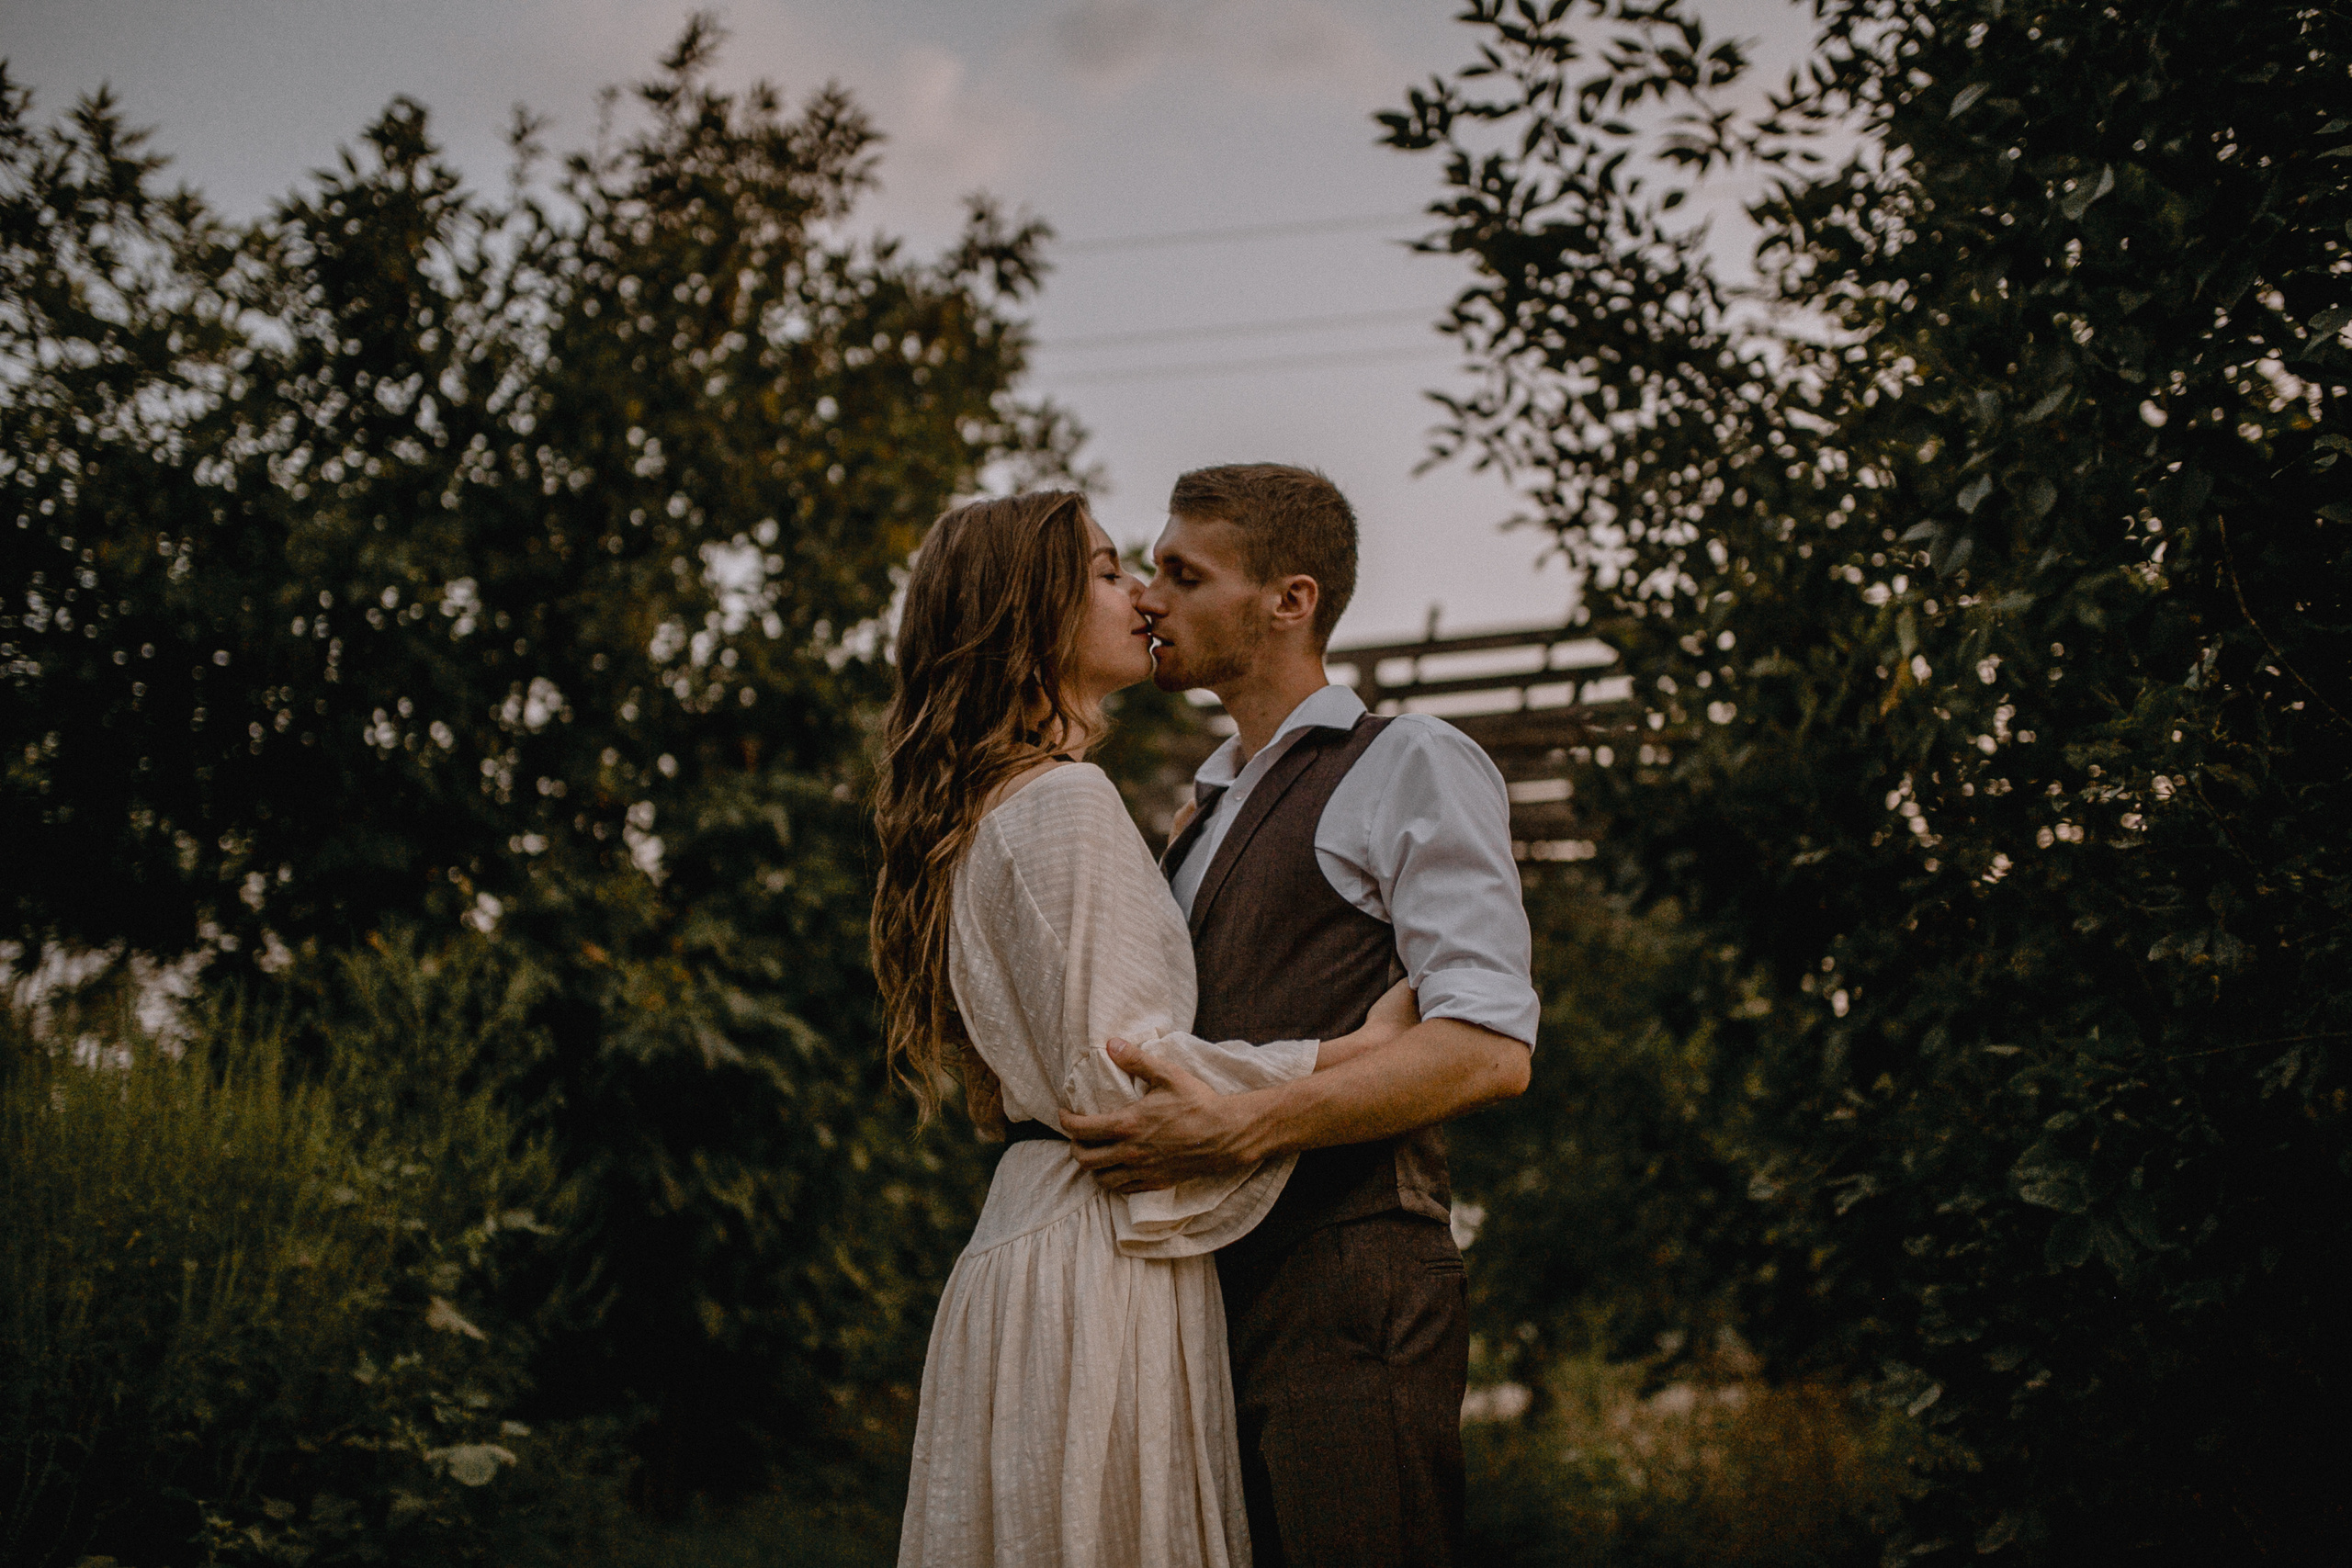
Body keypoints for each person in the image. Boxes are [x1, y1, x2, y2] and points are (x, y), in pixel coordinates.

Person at [873, 490, 1418, 1568]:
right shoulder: (1062, 802)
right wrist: (1358, 1049)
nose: (1140, 597)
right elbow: (1128, 1082)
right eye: (1109, 568)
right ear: (1025, 609)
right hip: (1098, 1242)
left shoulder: (1001, 801)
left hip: (1041, 1229)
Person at [1059, 464, 1538, 1568]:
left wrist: (1240, 1125)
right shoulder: (1198, 811)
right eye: (1149, 571)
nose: (1149, 600)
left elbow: (1487, 1048)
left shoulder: (1408, 760)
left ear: (1290, 599)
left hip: (1348, 1277)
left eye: (1185, 575)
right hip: (1196, 1290)